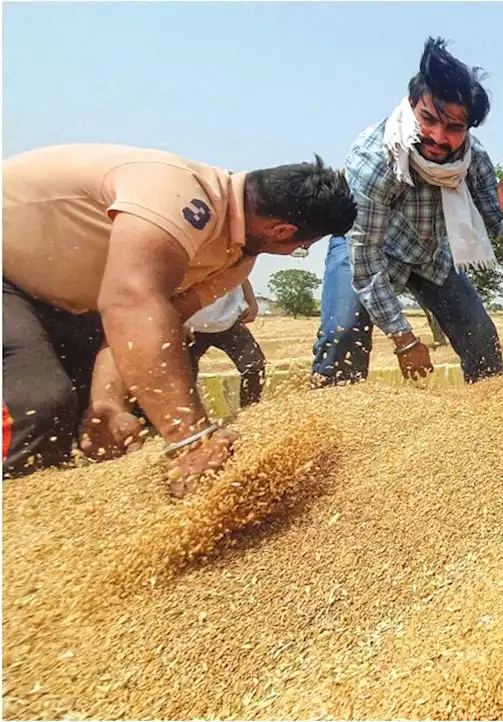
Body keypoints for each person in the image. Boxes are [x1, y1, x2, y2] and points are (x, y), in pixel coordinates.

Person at [2, 143, 356, 494]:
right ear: (282, 231)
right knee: (38, 406)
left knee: (88, 419)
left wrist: (107, 402)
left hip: (69, 304)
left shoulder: (236, 260)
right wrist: (191, 439)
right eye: (300, 249)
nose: (296, 253)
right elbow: (132, 303)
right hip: (11, 277)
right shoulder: (177, 194)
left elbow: (155, 322)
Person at [311, 37, 503, 386]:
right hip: (368, 249)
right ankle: (327, 425)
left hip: (429, 255)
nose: (438, 137)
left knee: (482, 340)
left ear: (469, 129)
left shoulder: (473, 160)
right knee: (341, 337)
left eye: (454, 128)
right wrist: (404, 339)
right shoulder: (375, 160)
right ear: (412, 103)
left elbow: (501, 234)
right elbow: (366, 263)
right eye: (428, 119)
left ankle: (490, 424)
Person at [185, 280, 267, 409]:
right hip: (190, 325)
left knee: (254, 366)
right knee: (182, 375)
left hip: (229, 321)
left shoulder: (232, 260)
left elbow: (242, 276)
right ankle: (179, 420)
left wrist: (252, 303)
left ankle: (250, 412)